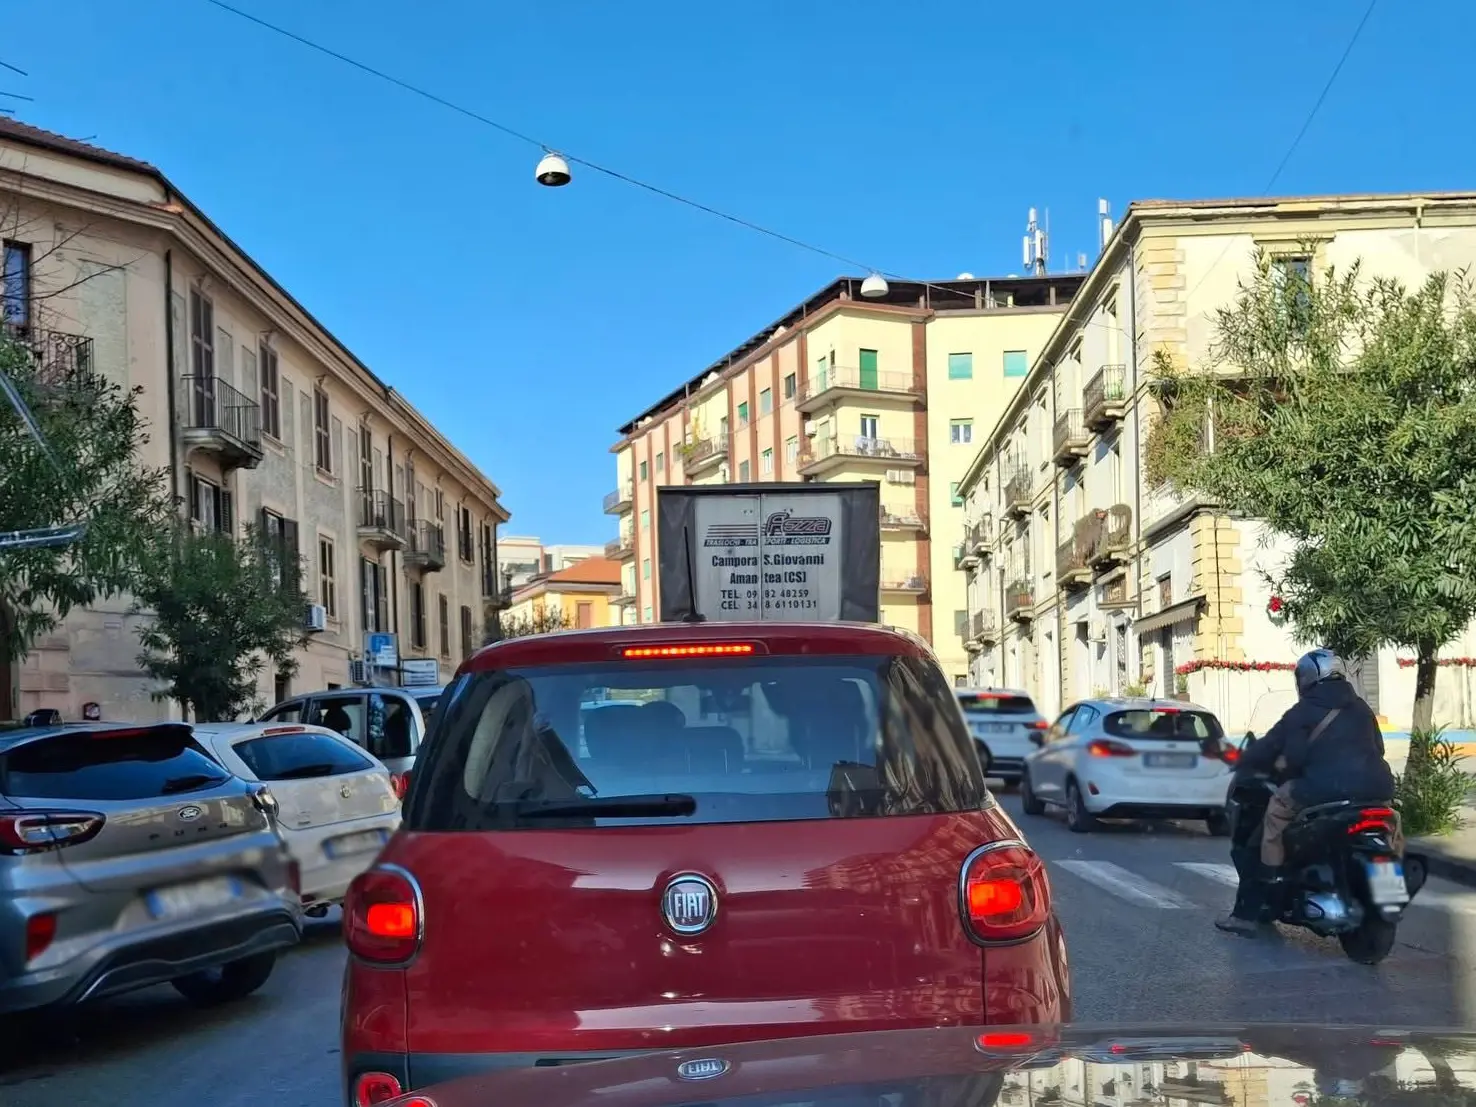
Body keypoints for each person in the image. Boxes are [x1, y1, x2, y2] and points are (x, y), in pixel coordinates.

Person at [1214, 647, 1395, 936]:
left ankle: (1259, 901)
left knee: (1273, 820)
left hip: (1323, 791)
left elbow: (1283, 754)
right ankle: (1389, 890)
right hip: (1376, 791)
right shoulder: (1362, 707)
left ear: (1307, 678)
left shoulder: (1303, 712)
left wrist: (1248, 763)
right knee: (1391, 827)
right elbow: (1379, 748)